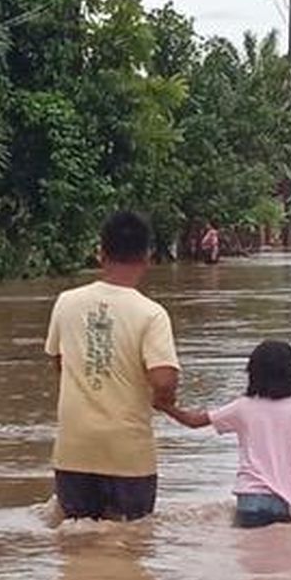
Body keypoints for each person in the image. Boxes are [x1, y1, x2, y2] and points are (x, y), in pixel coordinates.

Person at [44, 211, 180, 522]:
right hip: (128, 455)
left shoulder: (66, 302)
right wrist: (165, 401)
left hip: (74, 450)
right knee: (128, 543)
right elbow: (163, 379)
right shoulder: (151, 314)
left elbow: (59, 362)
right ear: (147, 257)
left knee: (76, 545)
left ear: (100, 253)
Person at [161, 341, 291, 528]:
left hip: (250, 498)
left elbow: (194, 421)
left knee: (249, 554)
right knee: (285, 554)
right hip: (285, 502)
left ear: (252, 373)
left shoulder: (243, 407)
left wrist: (165, 406)